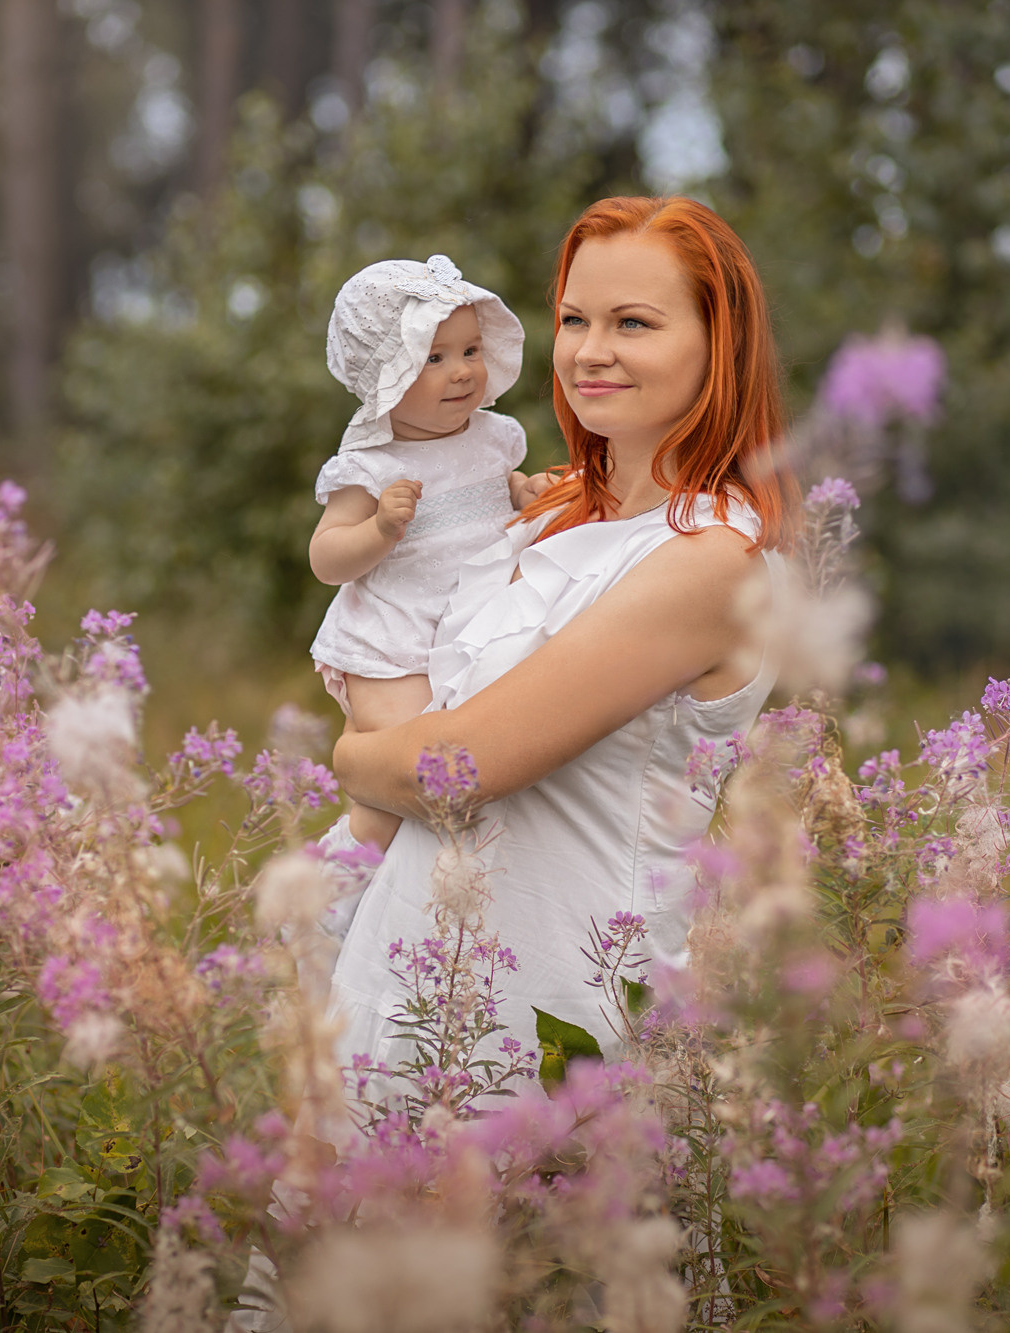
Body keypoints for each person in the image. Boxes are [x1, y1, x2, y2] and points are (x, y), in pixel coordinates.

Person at [327, 196, 802, 1086]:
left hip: (547, 1037)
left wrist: (351, 755)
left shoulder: (712, 558)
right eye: (574, 319)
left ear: (718, 342)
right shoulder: (544, 511)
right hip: (410, 992)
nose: (590, 350)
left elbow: (455, 764)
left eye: (633, 322)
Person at [309, 254, 552, 854]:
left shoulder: (495, 436)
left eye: (471, 351)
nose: (463, 372)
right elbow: (325, 558)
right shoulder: (372, 466)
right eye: (435, 359)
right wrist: (378, 531)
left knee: (474, 763)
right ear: (384, 377)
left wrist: (524, 492)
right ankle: (337, 883)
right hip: (392, 649)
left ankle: (431, 907)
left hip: (467, 629)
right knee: (408, 779)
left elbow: (498, 494)